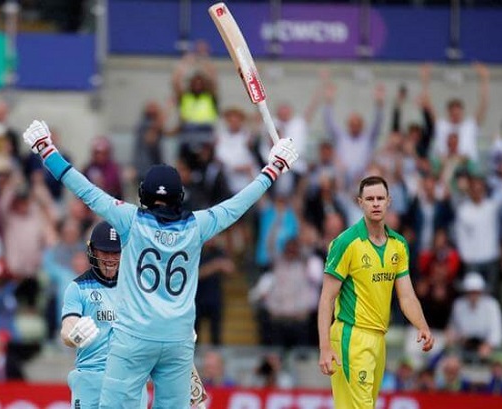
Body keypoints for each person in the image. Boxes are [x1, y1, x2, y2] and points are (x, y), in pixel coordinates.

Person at [23, 119, 298, 408]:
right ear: (180, 197)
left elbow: (86, 191)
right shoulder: (198, 225)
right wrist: (273, 168)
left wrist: (47, 151)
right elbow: (237, 205)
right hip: (178, 339)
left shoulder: (130, 220)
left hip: (134, 338)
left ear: (143, 195)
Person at [318, 175, 434, 409]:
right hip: (352, 336)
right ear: (360, 202)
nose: (376, 203)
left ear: (389, 201)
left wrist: (422, 325)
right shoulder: (346, 243)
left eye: (380, 198)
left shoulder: (398, 244)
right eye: (370, 199)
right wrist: (324, 348)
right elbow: (327, 298)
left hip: (379, 338)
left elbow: (407, 295)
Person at [60, 221, 149, 408]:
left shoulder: (138, 288)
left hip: (129, 378)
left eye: (115, 252)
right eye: (104, 252)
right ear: (92, 251)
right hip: (91, 378)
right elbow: (68, 327)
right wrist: (73, 336)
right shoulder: (78, 288)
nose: (110, 258)